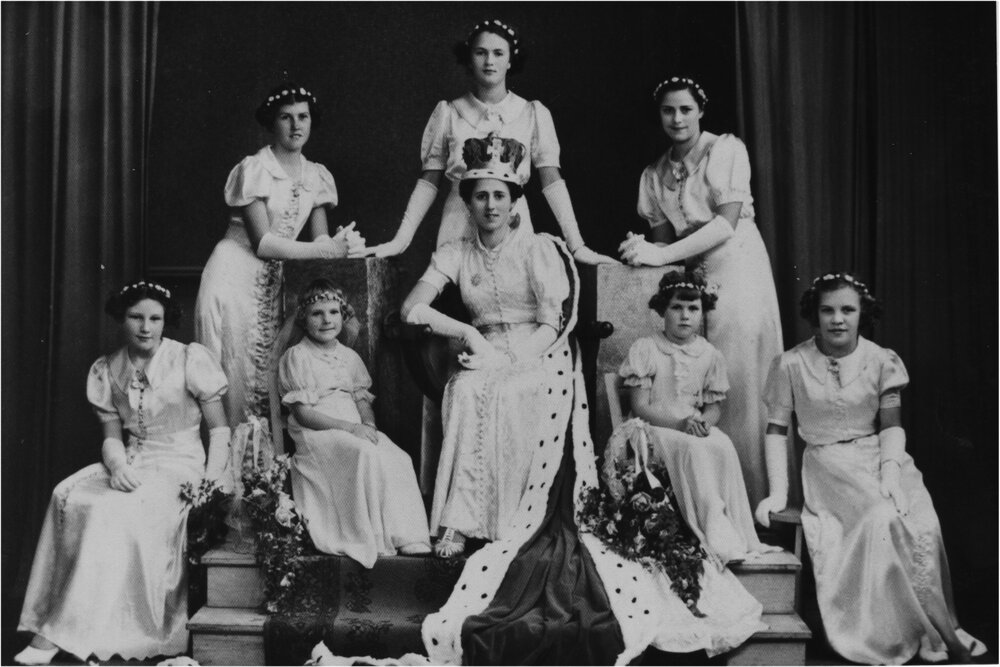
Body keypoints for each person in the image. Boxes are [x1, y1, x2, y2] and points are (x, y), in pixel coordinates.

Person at [396, 136, 762, 666]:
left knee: (511, 387)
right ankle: (462, 518)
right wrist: (470, 336)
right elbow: (413, 308)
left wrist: (512, 357)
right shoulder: (455, 252)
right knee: (470, 385)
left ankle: (509, 519)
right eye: (479, 196)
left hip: (538, 352)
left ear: (516, 198)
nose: (490, 205)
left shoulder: (541, 248)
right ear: (469, 200)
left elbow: (552, 324)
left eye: (500, 195)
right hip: (484, 349)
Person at [754, 273, 985, 664]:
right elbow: (776, 429)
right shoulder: (791, 364)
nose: (837, 319)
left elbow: (892, 425)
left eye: (847, 309)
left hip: (882, 458)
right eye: (827, 310)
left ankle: (938, 628)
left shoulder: (881, 360)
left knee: (922, 522)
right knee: (883, 519)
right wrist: (778, 492)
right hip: (829, 466)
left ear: (863, 314)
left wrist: (892, 474)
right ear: (815, 314)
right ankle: (891, 635)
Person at [15, 282, 230, 665]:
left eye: (155, 319)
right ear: (121, 319)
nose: (146, 327)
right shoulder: (107, 368)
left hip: (181, 466)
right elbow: (112, 436)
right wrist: (117, 465)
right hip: (133, 460)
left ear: (166, 322)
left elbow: (219, 430)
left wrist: (211, 484)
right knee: (68, 493)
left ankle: (62, 634)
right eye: (136, 317)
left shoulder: (188, 359)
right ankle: (50, 620)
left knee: (110, 512)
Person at [619, 76, 783, 509]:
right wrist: (641, 250)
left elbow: (725, 224)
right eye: (668, 111)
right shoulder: (655, 173)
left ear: (700, 111)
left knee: (740, 377)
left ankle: (753, 501)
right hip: (694, 279)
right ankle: (708, 503)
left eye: (686, 110)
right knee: (697, 378)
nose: (677, 119)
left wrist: (662, 254)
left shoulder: (725, 149)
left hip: (737, 266)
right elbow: (662, 247)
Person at [361, 18, 616, 264]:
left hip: (512, 221)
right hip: (458, 221)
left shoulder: (533, 113)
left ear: (510, 60)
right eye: (481, 53)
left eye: (498, 53)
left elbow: (552, 180)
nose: (489, 61)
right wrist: (400, 241)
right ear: (469, 59)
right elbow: (429, 181)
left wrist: (577, 245)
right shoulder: (449, 113)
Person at [194, 83, 362, 434]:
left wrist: (343, 245)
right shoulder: (255, 168)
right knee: (233, 365)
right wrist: (325, 248)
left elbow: (320, 241)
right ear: (273, 123)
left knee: (266, 368)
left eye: (303, 117)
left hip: (274, 278)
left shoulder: (316, 174)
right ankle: (229, 469)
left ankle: (263, 476)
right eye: (286, 118)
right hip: (233, 272)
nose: (296, 125)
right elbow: (264, 244)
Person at [613, 271, 778, 564]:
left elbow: (713, 406)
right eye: (677, 308)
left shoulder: (710, 354)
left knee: (722, 444)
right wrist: (679, 424)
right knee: (693, 448)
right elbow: (640, 406)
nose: (685, 316)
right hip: (654, 426)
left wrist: (705, 422)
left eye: (693, 309)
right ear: (663, 310)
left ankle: (729, 524)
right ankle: (710, 519)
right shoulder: (647, 348)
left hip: (690, 425)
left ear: (702, 313)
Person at [278, 280, 430, 566]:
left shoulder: (350, 357)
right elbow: (303, 414)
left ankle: (408, 535)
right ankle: (370, 536)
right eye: (317, 313)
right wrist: (350, 429)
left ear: (343, 315)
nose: (326, 320)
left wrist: (369, 426)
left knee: (398, 457)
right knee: (364, 454)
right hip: (318, 431)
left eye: (333, 312)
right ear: (304, 318)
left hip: (353, 426)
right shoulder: (297, 356)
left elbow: (361, 401)